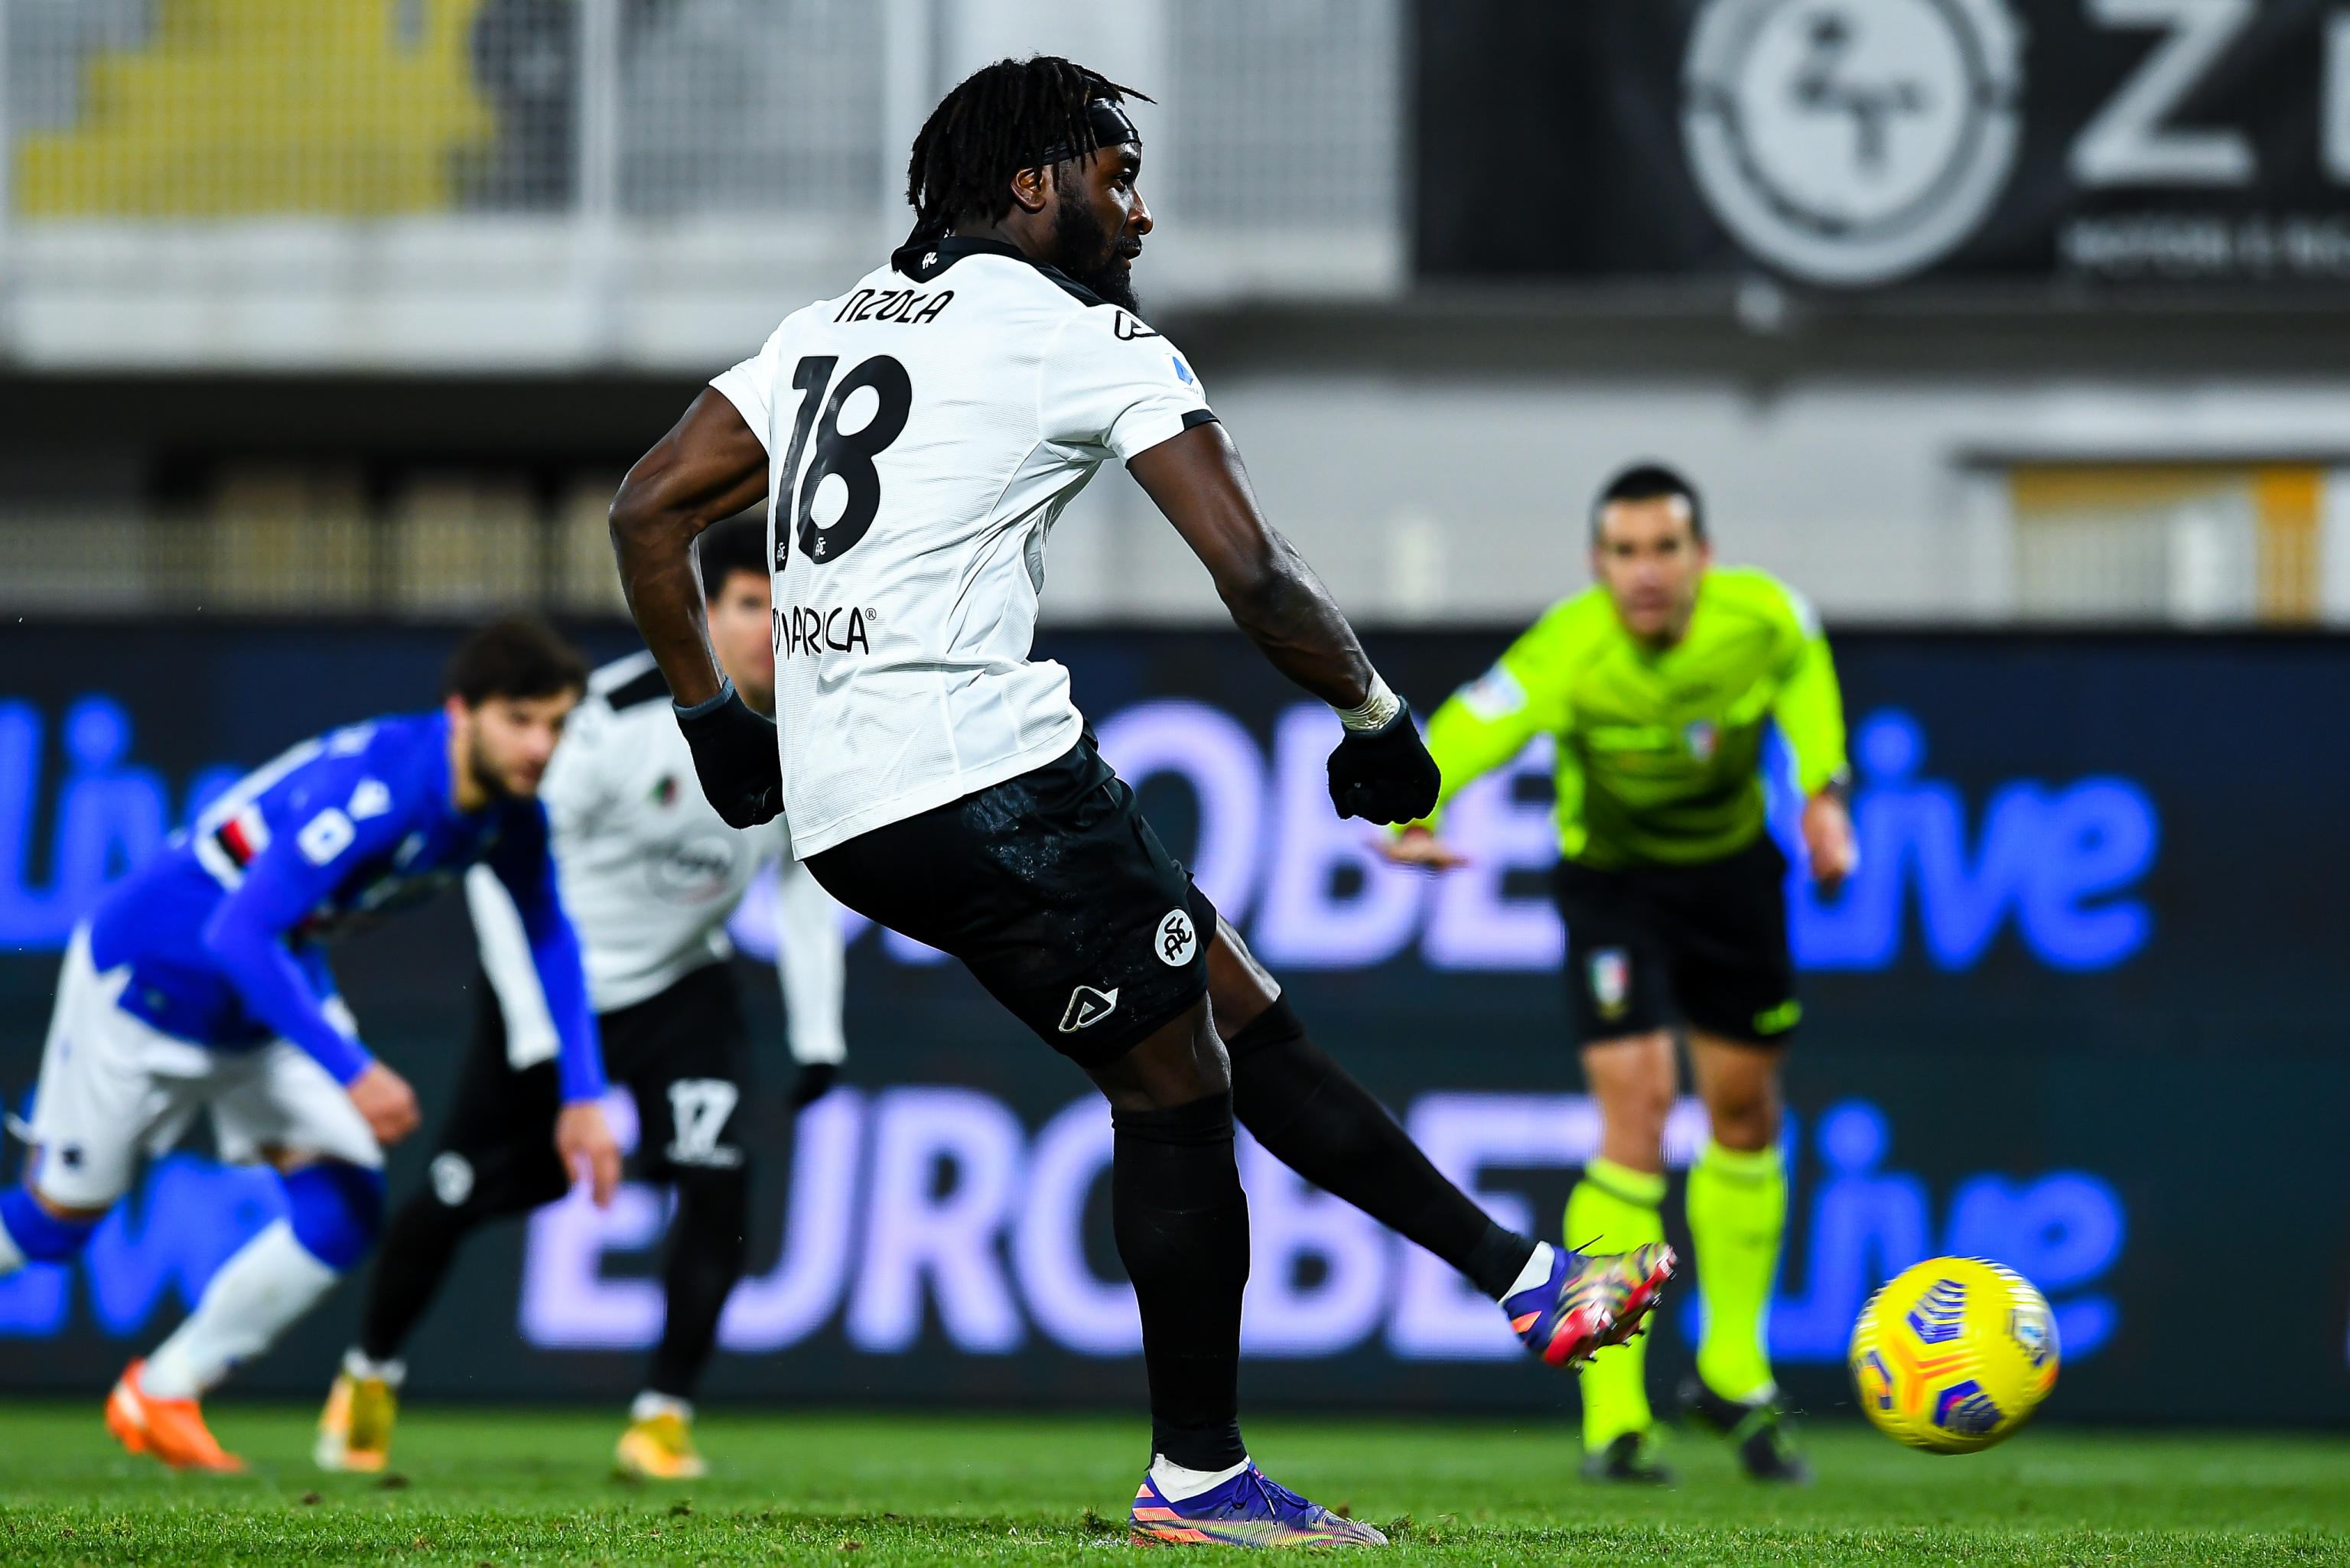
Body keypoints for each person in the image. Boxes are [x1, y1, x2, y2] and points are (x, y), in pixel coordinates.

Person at [604, 57, 1672, 1547]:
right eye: (1117, 177)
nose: (1142, 211)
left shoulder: (827, 326)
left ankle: (1520, 1276)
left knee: (1231, 1006)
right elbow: (1256, 570)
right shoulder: (1084, 336)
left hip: (852, 807)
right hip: (985, 775)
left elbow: (648, 504)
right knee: (1176, 1086)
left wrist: (720, 724)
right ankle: (1202, 1476)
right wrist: (1376, 715)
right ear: (1033, 184)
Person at [0, 620, 620, 1473]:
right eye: (521, 719)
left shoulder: (508, 816)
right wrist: (354, 1069)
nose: (541, 746)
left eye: (557, 724)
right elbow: (237, 930)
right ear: (460, 713)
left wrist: (584, 1095)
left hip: (267, 999)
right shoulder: (382, 790)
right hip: (149, 983)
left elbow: (549, 934)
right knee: (51, 1226)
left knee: (344, 1207)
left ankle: (163, 1392)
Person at [315, 519, 847, 1482]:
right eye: (750, 605)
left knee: (719, 1184)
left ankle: (662, 1417)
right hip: (562, 996)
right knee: (464, 1189)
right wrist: (536, 1036)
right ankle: (369, 1373)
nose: (773, 630)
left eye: (788, 608)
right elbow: (499, 871)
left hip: (685, 981)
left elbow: (807, 881)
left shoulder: (820, 732)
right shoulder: (609, 720)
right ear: (703, 611)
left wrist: (819, 1032)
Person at [1382, 464, 1855, 1485]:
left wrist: (1824, 792)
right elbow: (1471, 725)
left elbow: (1807, 677)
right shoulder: (1569, 646)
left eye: (1664, 549)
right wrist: (1417, 811)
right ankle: (1615, 1413)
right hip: (1615, 895)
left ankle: (1735, 1369)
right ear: (1599, 565)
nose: (1645, 572)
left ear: (1702, 558)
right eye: (1625, 552)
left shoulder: (1763, 618)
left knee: (1745, 1114)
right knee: (1636, 1115)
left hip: (1733, 882)